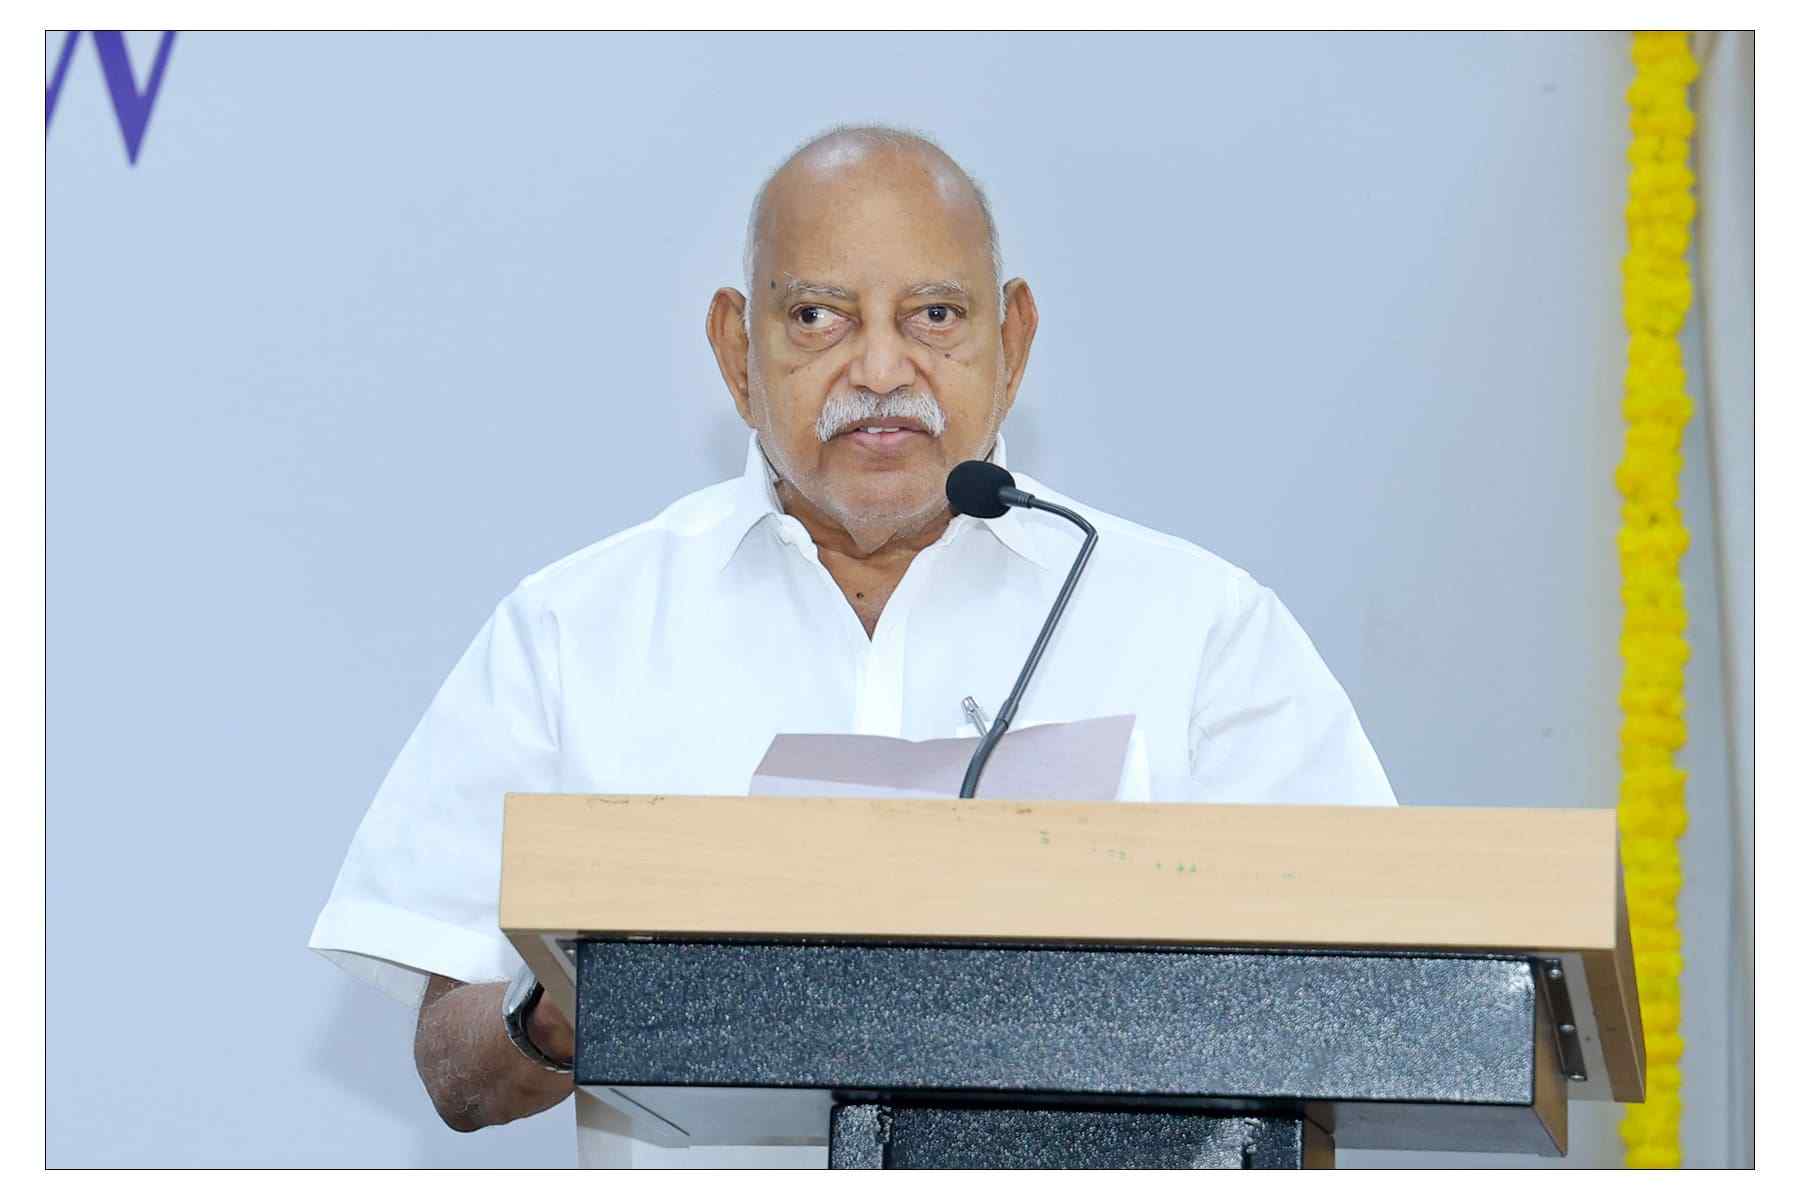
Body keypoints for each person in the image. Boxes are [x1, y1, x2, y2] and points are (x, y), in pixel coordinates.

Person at [308, 124, 1399, 1168]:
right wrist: (571, 1004)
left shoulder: (1198, 629)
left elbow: (1369, 1005)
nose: (881, 367)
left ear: (1013, 340)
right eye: (819, 317)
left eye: (935, 314)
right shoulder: (575, 629)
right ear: (736, 350)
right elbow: (456, 1074)